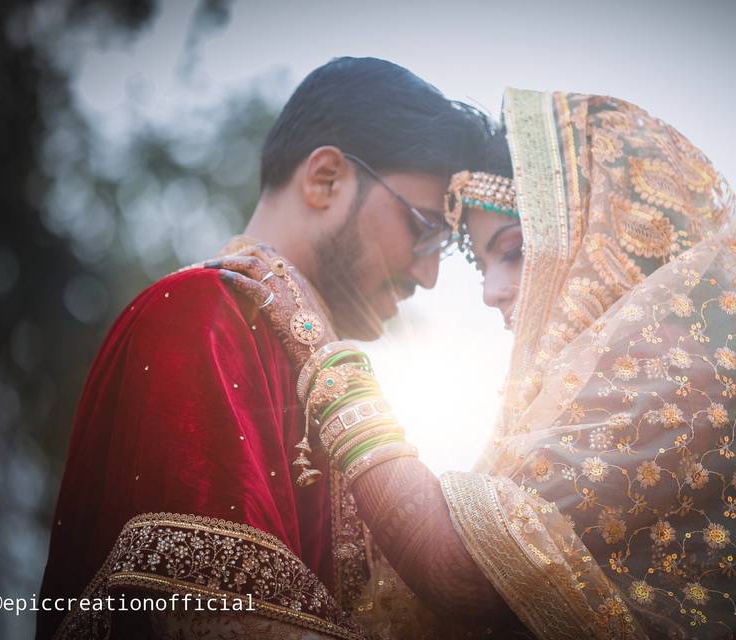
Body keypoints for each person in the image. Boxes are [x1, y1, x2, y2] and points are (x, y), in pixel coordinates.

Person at [231, 88, 736, 638]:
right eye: (485, 263)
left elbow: (463, 574)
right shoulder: (606, 384)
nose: (491, 290)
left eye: (514, 253)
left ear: (601, 241)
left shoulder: (679, 370)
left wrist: (319, 349)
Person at [36, 57, 491, 640]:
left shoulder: (311, 367)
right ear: (325, 178)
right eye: (423, 229)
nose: (428, 275)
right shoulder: (199, 314)